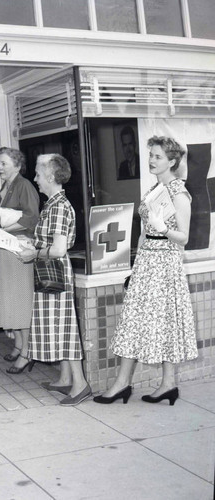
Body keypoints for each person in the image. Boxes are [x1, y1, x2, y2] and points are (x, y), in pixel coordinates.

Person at [94, 136, 198, 406]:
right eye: (150, 155)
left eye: (158, 157)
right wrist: (136, 263)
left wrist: (163, 229)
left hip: (165, 263)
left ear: (172, 161)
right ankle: (127, 383)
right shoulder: (154, 190)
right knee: (133, 321)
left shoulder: (179, 194)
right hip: (146, 262)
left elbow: (184, 238)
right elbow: (142, 232)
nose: (151, 160)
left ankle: (164, 383)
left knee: (162, 323)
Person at [19, 154, 90, 406]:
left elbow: (58, 249)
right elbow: (50, 242)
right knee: (59, 325)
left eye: (38, 174)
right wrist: (32, 245)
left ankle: (80, 385)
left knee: (64, 327)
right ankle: (64, 379)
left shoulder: (58, 207)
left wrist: (34, 252)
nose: (35, 179)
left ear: (50, 176)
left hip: (56, 272)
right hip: (51, 270)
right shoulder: (52, 203)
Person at [0, 147, 39, 373]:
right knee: (12, 300)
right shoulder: (7, 186)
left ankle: (27, 353)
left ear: (17, 166)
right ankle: (19, 344)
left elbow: (32, 218)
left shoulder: (24, 185)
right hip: (6, 248)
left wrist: (3, 228)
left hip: (19, 248)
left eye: (3, 163)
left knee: (21, 303)